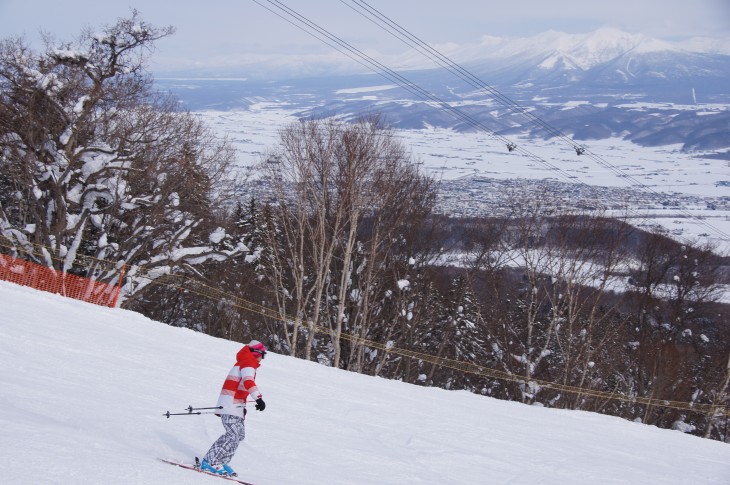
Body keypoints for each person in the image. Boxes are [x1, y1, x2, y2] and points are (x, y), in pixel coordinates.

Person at [200, 340, 267, 477]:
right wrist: (258, 398)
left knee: (238, 435)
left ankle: (222, 461)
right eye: (263, 355)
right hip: (231, 404)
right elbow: (248, 381)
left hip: (235, 405)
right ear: (256, 353)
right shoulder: (248, 363)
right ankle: (210, 461)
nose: (262, 358)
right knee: (233, 435)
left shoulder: (245, 362)